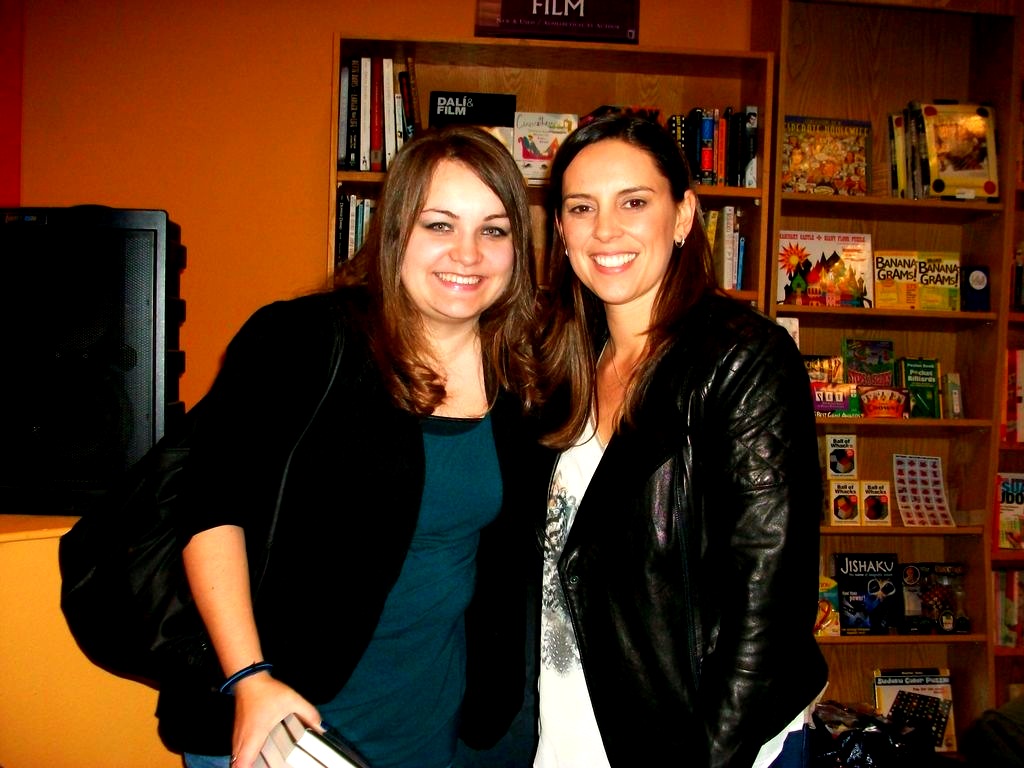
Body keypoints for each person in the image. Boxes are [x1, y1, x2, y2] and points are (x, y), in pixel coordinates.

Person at [154, 125, 547, 768]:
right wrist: (249, 678)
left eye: (494, 230)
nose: (468, 253)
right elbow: (209, 508)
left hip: (432, 724)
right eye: (439, 225)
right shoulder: (302, 340)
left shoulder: (524, 376)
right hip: (280, 717)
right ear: (394, 234)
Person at [533, 113, 829, 768]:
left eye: (633, 202)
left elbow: (770, 605)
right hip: (575, 723)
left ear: (685, 216)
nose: (605, 230)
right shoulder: (564, 362)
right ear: (560, 229)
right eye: (582, 208)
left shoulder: (743, 360)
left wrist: (712, 757)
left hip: (703, 739)